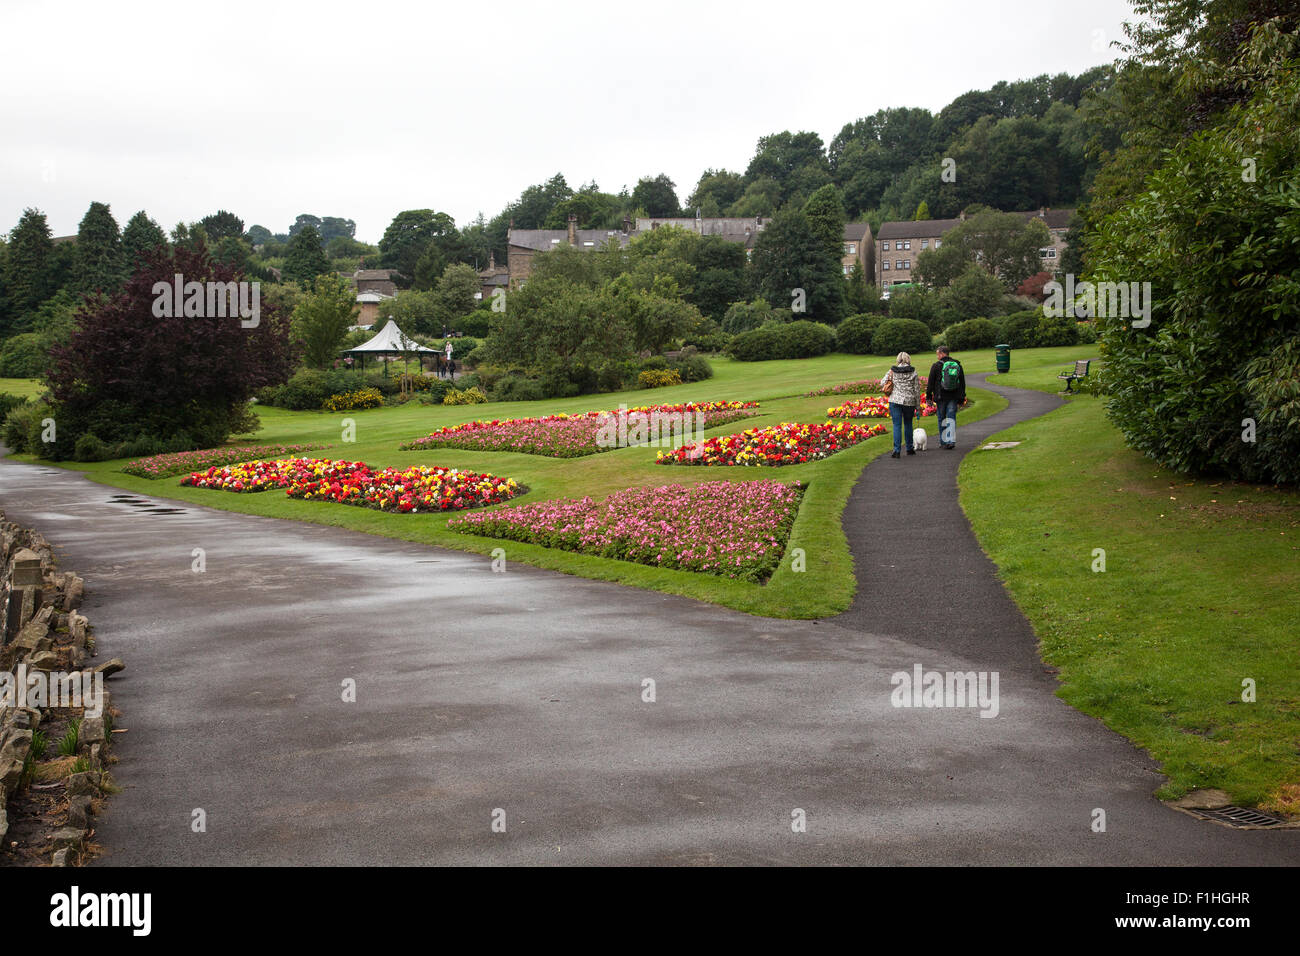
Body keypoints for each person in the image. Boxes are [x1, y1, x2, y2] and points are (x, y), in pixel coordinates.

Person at [882, 351, 922, 458]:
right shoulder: (913, 372)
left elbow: (882, 383)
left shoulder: (892, 371)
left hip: (895, 400)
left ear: (898, 360)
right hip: (909, 401)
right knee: (908, 424)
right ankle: (909, 448)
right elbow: (917, 391)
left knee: (897, 425)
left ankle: (897, 450)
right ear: (908, 359)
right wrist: (918, 407)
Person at [926, 346, 966, 450]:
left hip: (940, 396)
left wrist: (929, 396)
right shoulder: (957, 364)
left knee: (941, 418)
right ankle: (951, 441)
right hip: (953, 395)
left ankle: (943, 441)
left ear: (942, 354)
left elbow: (930, 383)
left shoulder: (936, 366)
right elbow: (962, 382)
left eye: (937, 354)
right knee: (951, 418)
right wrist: (962, 397)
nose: (937, 356)